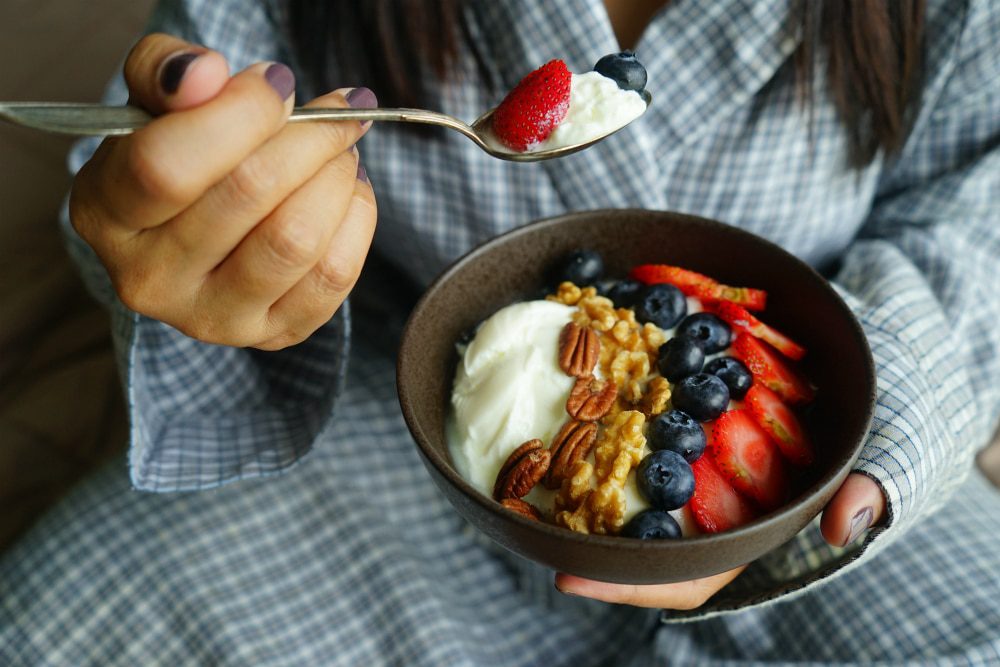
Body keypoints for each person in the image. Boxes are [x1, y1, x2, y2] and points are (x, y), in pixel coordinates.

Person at [2, 0, 999, 664]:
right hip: (401, 408)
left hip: (816, 450)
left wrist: (890, 387)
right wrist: (184, 235)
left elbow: (979, 203)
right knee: (58, 617)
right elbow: (169, 140)